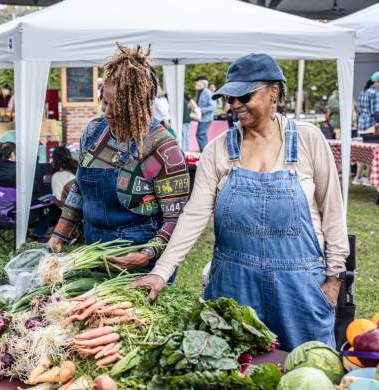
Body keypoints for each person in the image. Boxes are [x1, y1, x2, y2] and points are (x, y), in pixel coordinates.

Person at [132, 53, 349, 351]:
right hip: (235, 287)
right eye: (230, 98)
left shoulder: (308, 140)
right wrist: (160, 272)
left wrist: (335, 277)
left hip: (300, 289)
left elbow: (333, 213)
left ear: (274, 90)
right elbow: (194, 215)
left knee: (307, 372)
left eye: (244, 96)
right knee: (237, 373)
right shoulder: (218, 150)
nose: (235, 105)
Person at [47, 44, 190, 273]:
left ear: (140, 105)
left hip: (140, 263)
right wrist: (59, 234)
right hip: (93, 251)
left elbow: (177, 219)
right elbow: (79, 190)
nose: (108, 112)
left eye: (118, 107)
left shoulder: (163, 148)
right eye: (105, 102)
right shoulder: (93, 133)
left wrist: (146, 254)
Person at [194, 76, 216, 152]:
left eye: (197, 82)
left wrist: (201, 110)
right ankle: (206, 152)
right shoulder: (199, 92)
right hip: (202, 118)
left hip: (206, 118)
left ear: (203, 83)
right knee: (201, 135)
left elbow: (213, 106)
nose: (196, 83)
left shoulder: (207, 92)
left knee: (200, 135)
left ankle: (204, 153)